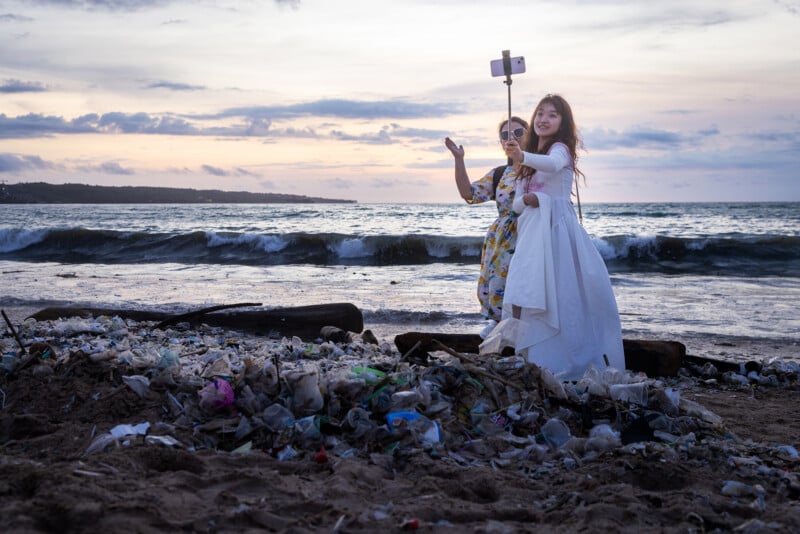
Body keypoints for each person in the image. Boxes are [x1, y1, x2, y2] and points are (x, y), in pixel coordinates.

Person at [500, 94, 625, 380]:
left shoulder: (560, 149)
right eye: (540, 114)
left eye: (552, 115)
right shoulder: (529, 161)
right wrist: (530, 196)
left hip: (557, 231)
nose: (543, 119)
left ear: (563, 121)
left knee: (560, 291)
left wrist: (521, 157)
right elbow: (517, 203)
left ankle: (562, 357)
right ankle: (530, 354)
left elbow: (554, 166)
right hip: (533, 234)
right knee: (529, 289)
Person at [445, 116, 529, 337]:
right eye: (505, 135)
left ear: (530, 136)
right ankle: (498, 324)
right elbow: (468, 194)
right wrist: (459, 159)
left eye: (518, 133)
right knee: (498, 280)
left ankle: (525, 328)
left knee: (525, 281)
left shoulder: (537, 166)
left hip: (529, 230)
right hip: (502, 236)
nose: (511, 138)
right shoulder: (499, 173)